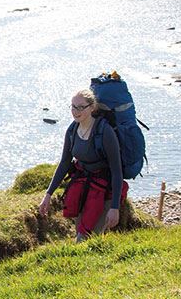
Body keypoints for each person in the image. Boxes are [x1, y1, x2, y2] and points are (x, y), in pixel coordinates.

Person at [38, 88, 128, 240]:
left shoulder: (104, 131)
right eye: (73, 106)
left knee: (85, 237)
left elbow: (117, 172)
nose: (75, 111)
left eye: (81, 107)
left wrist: (114, 207)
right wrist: (48, 195)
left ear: (92, 107)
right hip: (82, 189)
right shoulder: (72, 130)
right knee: (82, 234)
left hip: (104, 193)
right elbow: (65, 163)